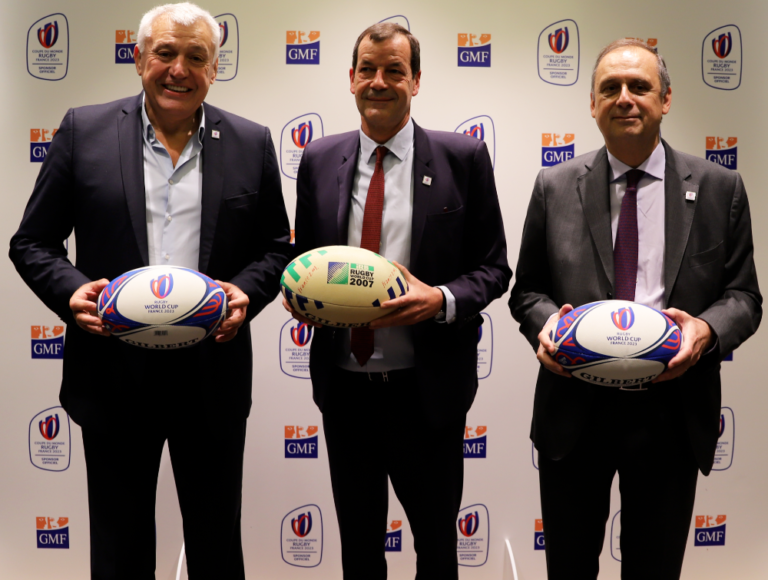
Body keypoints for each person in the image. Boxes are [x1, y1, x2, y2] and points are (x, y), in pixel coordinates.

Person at [9, 3, 291, 578]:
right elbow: (32, 241)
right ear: (139, 59)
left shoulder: (251, 141)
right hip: (112, 375)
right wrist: (73, 292)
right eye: (165, 53)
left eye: (196, 56)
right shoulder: (83, 132)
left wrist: (244, 292)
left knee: (217, 550)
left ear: (214, 69)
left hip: (211, 376)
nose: (179, 69)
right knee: (120, 552)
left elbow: (276, 249)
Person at [509, 39, 761, 580]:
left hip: (671, 410)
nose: (624, 98)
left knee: (655, 569)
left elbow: (744, 297)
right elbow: (527, 290)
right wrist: (548, 326)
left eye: (639, 86)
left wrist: (704, 330)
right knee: (568, 569)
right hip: (574, 409)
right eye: (610, 88)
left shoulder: (719, 188)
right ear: (592, 104)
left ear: (665, 99)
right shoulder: (555, 185)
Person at [283, 22, 511, 580]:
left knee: (436, 548)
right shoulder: (318, 159)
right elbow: (307, 259)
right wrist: (301, 297)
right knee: (359, 550)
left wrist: (441, 299)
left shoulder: (463, 158)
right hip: (345, 392)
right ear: (351, 78)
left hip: (426, 392)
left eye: (394, 70)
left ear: (416, 81)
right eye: (368, 69)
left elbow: (494, 268)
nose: (379, 82)